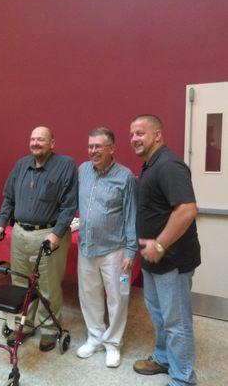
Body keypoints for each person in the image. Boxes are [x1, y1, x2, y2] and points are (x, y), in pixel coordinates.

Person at [130, 115, 201, 386]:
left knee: (176, 322)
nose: (135, 138)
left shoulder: (169, 165)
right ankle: (163, 358)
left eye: (140, 133)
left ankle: (183, 379)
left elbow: (187, 210)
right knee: (159, 316)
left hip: (171, 260)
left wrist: (159, 244)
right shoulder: (151, 165)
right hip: (153, 260)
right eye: (132, 135)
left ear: (157, 135)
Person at [0, 126, 77, 352]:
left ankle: (49, 329)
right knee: (20, 282)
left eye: (41, 139)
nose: (36, 143)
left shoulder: (65, 165)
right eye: (32, 139)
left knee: (48, 286)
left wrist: (57, 233)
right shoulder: (21, 165)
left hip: (47, 234)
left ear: (52, 143)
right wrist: (1, 225)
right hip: (20, 233)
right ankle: (25, 324)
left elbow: (69, 204)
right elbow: (8, 198)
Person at [77, 127, 137, 368]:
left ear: (111, 148)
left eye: (98, 147)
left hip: (115, 249)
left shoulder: (125, 176)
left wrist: (131, 250)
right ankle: (95, 337)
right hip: (87, 247)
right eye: (90, 146)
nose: (93, 151)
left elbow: (131, 215)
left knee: (117, 298)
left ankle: (113, 344)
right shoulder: (83, 170)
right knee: (89, 296)